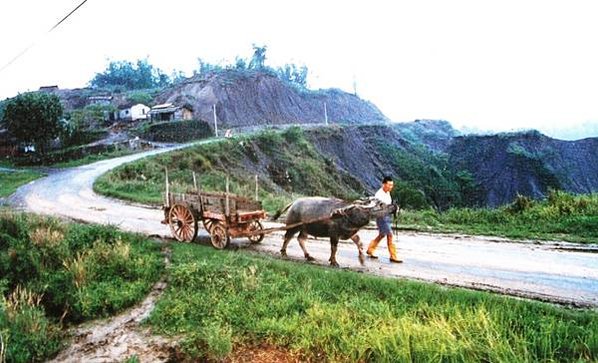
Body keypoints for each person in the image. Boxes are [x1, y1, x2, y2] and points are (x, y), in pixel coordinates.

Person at [367, 176, 402, 263]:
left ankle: (370, 249)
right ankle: (393, 256)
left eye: (392, 185)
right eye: (389, 185)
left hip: (387, 217)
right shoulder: (379, 195)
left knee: (382, 235)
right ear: (384, 184)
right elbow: (379, 208)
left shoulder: (387, 193)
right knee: (390, 235)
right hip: (381, 217)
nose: (391, 187)